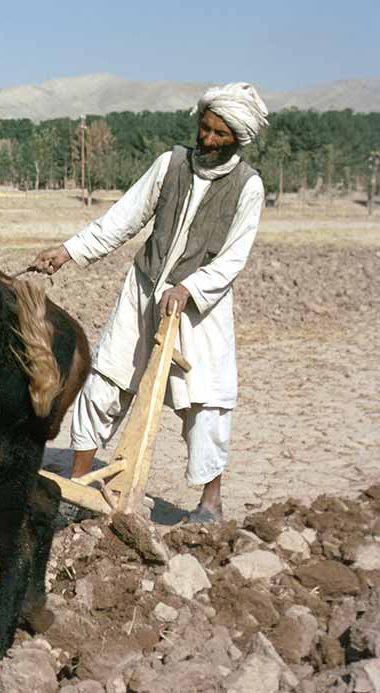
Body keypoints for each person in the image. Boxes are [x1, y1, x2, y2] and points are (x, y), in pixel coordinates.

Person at [31, 82, 269, 523]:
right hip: (143, 291)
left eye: (220, 134)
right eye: (206, 128)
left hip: (201, 310)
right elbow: (122, 218)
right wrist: (68, 251)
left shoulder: (248, 186)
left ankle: (210, 503)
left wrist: (191, 288)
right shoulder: (170, 164)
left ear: (238, 137)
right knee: (105, 381)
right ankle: (81, 486)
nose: (209, 139)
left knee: (206, 403)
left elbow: (235, 256)